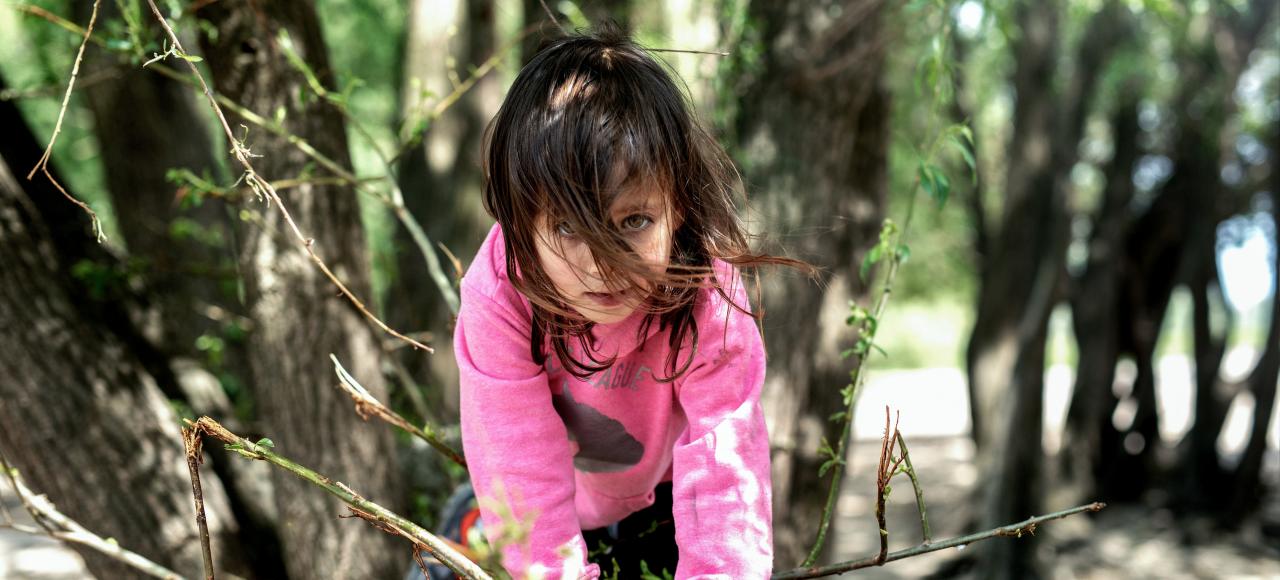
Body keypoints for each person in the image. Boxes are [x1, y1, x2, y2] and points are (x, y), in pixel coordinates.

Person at [451, 23, 809, 580]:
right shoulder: (501, 294)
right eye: (569, 228)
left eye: (635, 221)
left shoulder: (706, 293)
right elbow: (518, 473)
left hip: (665, 502)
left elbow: (724, 464)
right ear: (522, 222)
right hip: (540, 511)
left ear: (679, 208)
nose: (603, 262)